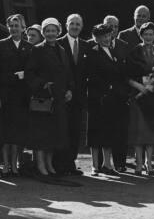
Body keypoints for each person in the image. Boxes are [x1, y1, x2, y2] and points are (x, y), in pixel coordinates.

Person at [24, 17, 73, 178]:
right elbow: (30, 73)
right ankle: (40, 164)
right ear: (43, 32)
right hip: (43, 99)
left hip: (58, 98)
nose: (51, 34)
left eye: (53, 31)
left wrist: (68, 90)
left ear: (59, 32)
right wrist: (43, 84)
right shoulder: (37, 49)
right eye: (47, 31)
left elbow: (67, 74)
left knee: (54, 133)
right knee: (41, 134)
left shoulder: (62, 50)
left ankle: (49, 163)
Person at [0, 14, 33, 178]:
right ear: (8, 27)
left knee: (17, 133)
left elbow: (33, 70)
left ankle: (15, 165)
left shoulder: (29, 47)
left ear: (23, 28)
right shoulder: (1, 45)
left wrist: (26, 75)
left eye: (17, 26)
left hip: (21, 97)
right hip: (5, 94)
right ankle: (6, 165)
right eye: (12, 26)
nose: (14, 28)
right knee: (4, 132)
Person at [85, 23, 127, 176]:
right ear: (96, 38)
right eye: (103, 36)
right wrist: (105, 88)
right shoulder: (92, 53)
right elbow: (91, 76)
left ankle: (107, 164)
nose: (107, 38)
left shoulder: (113, 52)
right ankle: (95, 165)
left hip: (112, 100)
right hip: (98, 99)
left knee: (109, 132)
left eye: (109, 35)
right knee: (96, 132)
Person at [125, 21, 154, 175]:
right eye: (145, 34)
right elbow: (127, 75)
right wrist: (140, 87)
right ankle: (139, 164)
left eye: (151, 34)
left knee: (151, 131)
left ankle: (149, 164)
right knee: (139, 132)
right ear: (141, 35)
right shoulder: (134, 51)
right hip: (139, 97)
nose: (148, 37)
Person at [55, 13, 90, 175]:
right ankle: (59, 164)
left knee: (75, 131)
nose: (75, 27)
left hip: (79, 96)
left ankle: (70, 163)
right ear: (66, 25)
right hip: (62, 94)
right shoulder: (58, 43)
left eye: (78, 24)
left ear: (81, 27)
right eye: (72, 24)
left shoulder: (85, 45)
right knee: (61, 129)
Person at [103, 14, 131, 171]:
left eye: (115, 27)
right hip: (104, 95)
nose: (112, 29)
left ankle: (120, 164)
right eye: (109, 26)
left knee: (121, 131)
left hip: (121, 95)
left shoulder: (124, 45)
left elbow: (128, 71)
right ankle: (102, 164)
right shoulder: (94, 45)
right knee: (105, 130)